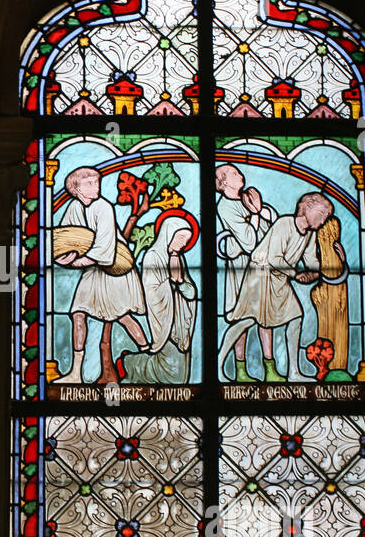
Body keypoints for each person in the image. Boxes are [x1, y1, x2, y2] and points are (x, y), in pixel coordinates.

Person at [217, 191, 334, 382]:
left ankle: (293, 372)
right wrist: (296, 275)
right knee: (246, 321)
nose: (323, 220)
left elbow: (311, 259)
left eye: (325, 217)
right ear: (307, 209)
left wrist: (313, 274)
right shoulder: (284, 224)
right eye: (322, 215)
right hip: (260, 276)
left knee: (296, 317)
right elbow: (274, 258)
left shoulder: (310, 235)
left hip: (279, 280)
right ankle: (218, 365)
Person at [52, 165, 148, 384]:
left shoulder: (104, 207)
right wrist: (62, 259)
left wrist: (75, 263)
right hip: (93, 270)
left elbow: (104, 248)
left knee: (122, 316)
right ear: (76, 189)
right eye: (90, 183)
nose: (96, 186)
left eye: (97, 182)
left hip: (115, 268)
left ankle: (148, 353)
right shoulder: (73, 208)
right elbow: (64, 240)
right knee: (78, 314)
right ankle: (76, 373)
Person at [215, 164, 275, 382]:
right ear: (223, 183)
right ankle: (240, 370)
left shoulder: (246, 199)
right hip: (241, 269)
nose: (240, 174)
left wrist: (260, 212)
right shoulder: (225, 207)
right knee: (242, 320)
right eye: (233, 173)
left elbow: (271, 226)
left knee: (265, 316)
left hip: (260, 267)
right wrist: (257, 214)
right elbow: (250, 242)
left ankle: (271, 368)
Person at [121, 213, 198, 384]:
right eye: (181, 237)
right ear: (168, 233)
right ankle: (131, 364)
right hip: (164, 318)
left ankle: (133, 365)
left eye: (186, 240)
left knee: (182, 374)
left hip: (181, 323)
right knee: (174, 374)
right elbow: (152, 291)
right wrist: (172, 283)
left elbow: (191, 292)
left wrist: (181, 284)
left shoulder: (179, 259)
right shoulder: (152, 256)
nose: (183, 243)